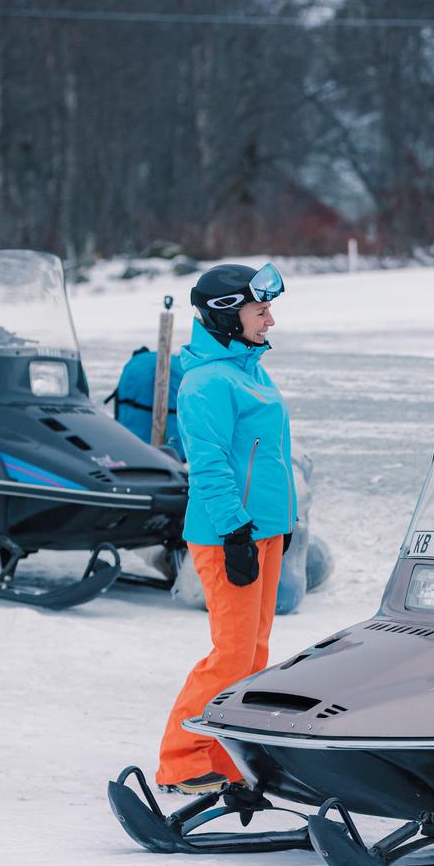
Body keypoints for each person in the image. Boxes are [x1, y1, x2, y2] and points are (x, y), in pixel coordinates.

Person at [154, 262, 297, 796]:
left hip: (264, 531)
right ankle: (183, 759)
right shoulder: (207, 382)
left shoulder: (250, 369)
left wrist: (284, 522)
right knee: (231, 654)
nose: (271, 321)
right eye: (261, 311)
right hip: (228, 535)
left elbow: (266, 456)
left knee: (254, 654)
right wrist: (235, 532)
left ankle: (224, 754)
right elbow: (210, 465)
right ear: (227, 315)